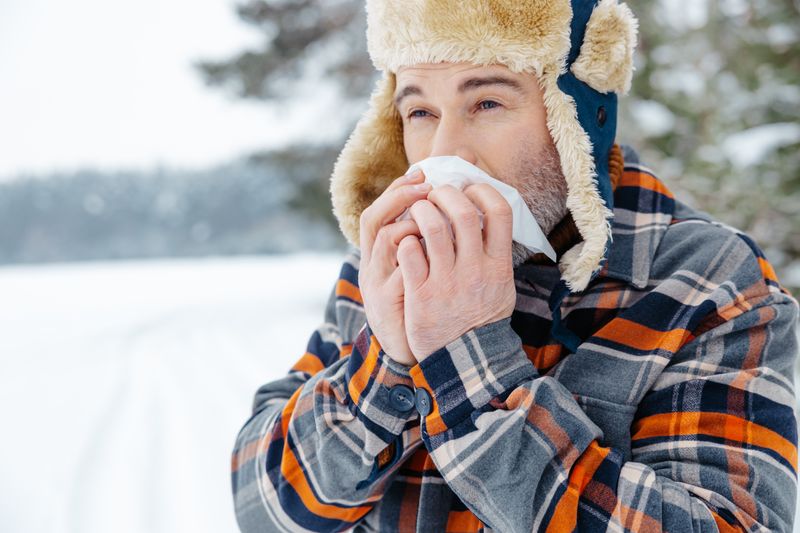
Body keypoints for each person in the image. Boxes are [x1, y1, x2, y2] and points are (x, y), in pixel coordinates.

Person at [231, 0, 800, 531]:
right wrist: (387, 359)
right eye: (421, 110)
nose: (446, 154)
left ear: (573, 118)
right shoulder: (388, 260)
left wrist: (467, 352)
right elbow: (262, 506)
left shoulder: (706, 278)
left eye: (487, 103)